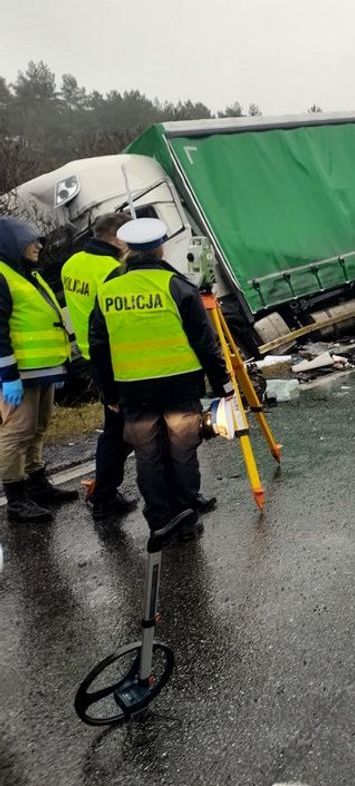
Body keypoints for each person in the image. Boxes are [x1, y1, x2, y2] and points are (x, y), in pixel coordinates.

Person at [88, 217, 233, 544]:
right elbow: (204, 342)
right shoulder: (178, 287)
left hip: (132, 388)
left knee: (147, 456)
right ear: (159, 248)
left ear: (127, 249)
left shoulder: (108, 291)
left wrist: (106, 391)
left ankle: (159, 520)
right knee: (182, 453)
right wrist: (222, 383)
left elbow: (99, 346)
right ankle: (185, 517)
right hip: (178, 386)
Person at [0, 215, 78, 522]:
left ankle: (36, 482)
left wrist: (59, 363)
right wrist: (8, 376)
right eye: (31, 241)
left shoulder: (28, 274)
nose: (39, 246)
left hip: (42, 370)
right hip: (18, 374)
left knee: (38, 427)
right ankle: (16, 499)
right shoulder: (4, 277)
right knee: (16, 432)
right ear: (11, 244)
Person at [61, 212, 137, 520]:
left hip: (93, 355)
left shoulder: (71, 264)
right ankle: (105, 496)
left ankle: (105, 492)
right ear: (118, 237)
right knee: (123, 431)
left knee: (116, 430)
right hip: (117, 355)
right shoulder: (113, 269)